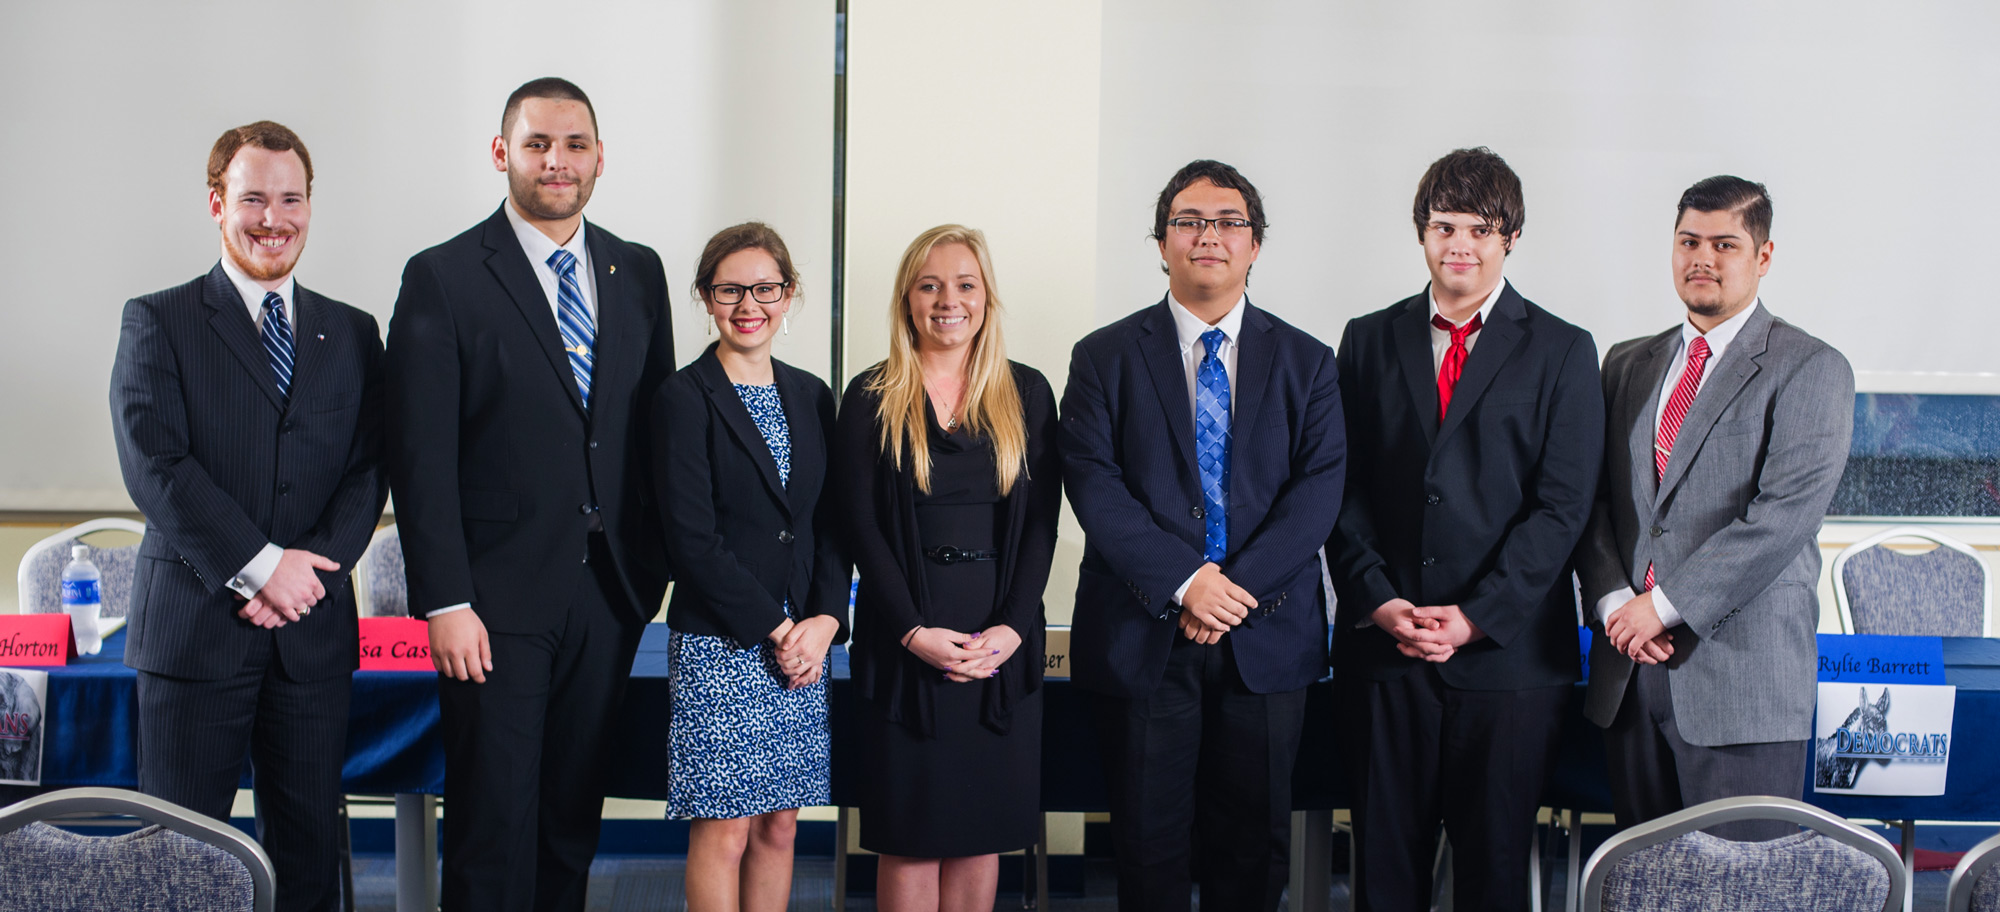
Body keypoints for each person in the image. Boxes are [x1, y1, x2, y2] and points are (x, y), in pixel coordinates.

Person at [383, 77, 675, 911]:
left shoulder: (637, 270)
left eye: (575, 144)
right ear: (502, 153)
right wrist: (444, 599)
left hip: (608, 592)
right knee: (491, 823)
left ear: (599, 158)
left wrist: (646, 575)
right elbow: (421, 456)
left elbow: (655, 428)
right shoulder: (442, 277)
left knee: (570, 817)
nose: (558, 161)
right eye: (539, 144)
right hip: (492, 602)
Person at [110, 120, 387, 912]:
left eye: (291, 199)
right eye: (254, 198)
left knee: (308, 858)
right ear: (215, 204)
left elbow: (370, 468)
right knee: (180, 862)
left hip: (313, 635)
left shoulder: (354, 332)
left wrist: (307, 577)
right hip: (193, 633)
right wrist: (264, 565)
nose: (275, 218)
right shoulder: (158, 320)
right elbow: (155, 464)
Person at [1061, 160, 1346, 912]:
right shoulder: (1103, 358)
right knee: (1147, 851)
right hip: (1141, 635)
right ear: (1162, 243)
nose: (1207, 236)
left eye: (1228, 223)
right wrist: (1189, 582)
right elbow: (1096, 487)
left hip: (1266, 638)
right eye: (1188, 221)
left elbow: (1316, 495)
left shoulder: (1309, 362)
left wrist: (1232, 591)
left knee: (1253, 852)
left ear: (1256, 246)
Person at [1325, 147, 1603, 911]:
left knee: (1495, 876)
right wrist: (1378, 600)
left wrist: (1478, 615)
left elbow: (1563, 506)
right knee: (1384, 875)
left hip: (1510, 665)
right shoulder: (1367, 340)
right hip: (1387, 652)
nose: (1459, 245)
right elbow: (1338, 491)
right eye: (1443, 225)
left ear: (1509, 237)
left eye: (1479, 229)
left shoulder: (1562, 349)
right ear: (1421, 232)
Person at [1579, 175, 1853, 841]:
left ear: (1762, 257)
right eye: (1689, 241)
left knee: (1742, 890)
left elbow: (1779, 518)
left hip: (1742, 686)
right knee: (1640, 887)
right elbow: (1595, 502)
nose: (1702, 257)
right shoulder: (1626, 364)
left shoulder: (1810, 366)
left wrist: (1661, 606)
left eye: (1724, 244)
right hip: (1631, 678)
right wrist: (1617, 605)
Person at [835, 224, 1060, 912]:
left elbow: (1043, 526)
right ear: (907, 299)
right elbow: (859, 526)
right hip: (907, 646)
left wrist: (1013, 631)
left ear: (986, 297)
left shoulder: (1027, 392)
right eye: (929, 285)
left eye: (965, 284)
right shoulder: (871, 394)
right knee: (912, 839)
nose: (948, 300)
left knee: (979, 837)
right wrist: (911, 631)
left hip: (998, 648)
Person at [651, 222, 846, 912]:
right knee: (727, 827)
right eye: (730, 289)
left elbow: (828, 523)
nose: (748, 304)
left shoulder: (814, 395)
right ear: (707, 297)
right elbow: (691, 540)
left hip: (803, 646)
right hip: (723, 640)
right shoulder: (682, 398)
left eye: (765, 288)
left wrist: (823, 620)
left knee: (781, 824)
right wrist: (778, 627)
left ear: (788, 295)